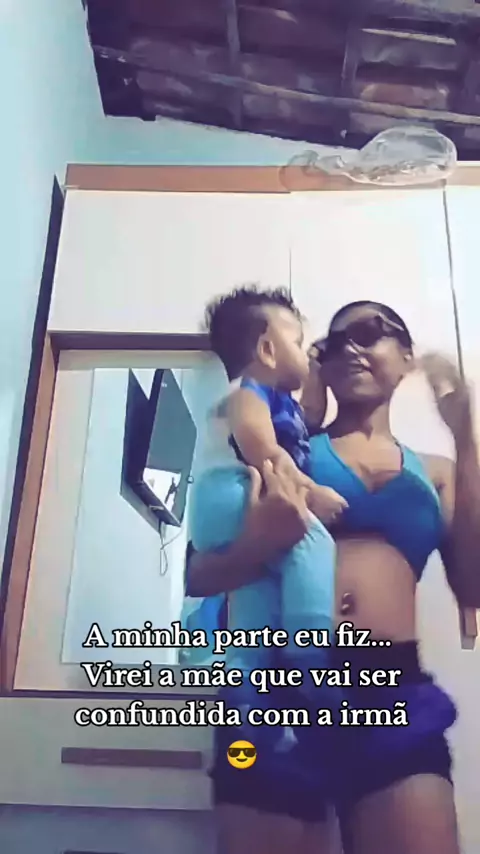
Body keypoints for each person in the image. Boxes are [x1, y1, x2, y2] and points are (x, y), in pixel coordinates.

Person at [187, 300, 480, 854]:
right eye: (332, 342)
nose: (350, 348)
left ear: (407, 356)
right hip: (271, 688)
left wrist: (466, 437)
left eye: (369, 332)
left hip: (391, 694)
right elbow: (198, 576)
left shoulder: (438, 471)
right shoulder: (279, 450)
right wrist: (258, 545)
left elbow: (474, 586)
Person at [189, 286, 346, 679]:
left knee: (256, 587)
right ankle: (310, 653)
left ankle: (245, 671)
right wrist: (312, 493)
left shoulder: (277, 401)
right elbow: (266, 452)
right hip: (234, 490)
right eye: (298, 343)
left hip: (228, 503)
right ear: (267, 351)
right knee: (313, 542)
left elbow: (309, 416)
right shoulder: (246, 395)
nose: (305, 355)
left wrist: (316, 372)